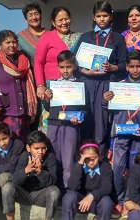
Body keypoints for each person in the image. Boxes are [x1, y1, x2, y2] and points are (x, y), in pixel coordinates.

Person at [103, 50, 140, 217]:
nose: (135, 70)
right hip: (121, 135)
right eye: (132, 66)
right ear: (126, 67)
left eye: (138, 66)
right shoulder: (118, 85)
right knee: (118, 167)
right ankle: (117, 200)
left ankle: (130, 201)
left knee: (136, 169)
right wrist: (105, 101)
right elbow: (109, 111)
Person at [74, 1, 127, 160]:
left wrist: (112, 68)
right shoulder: (85, 37)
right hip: (87, 83)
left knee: (101, 123)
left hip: (106, 84)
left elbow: (124, 65)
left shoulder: (118, 38)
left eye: (105, 15)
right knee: (86, 120)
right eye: (98, 16)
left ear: (110, 16)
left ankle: (101, 160)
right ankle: (84, 158)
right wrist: (86, 71)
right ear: (93, 17)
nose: (102, 19)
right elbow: (74, 64)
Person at [43, 50, 88, 191]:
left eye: (68, 67)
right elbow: (48, 108)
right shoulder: (52, 84)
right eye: (62, 67)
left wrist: (79, 118)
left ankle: (67, 190)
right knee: (52, 156)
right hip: (53, 123)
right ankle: (53, 189)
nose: (65, 70)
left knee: (68, 159)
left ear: (74, 66)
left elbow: (85, 108)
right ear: (58, 67)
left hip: (71, 125)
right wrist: (46, 99)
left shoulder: (81, 84)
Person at [0, 30, 37, 142]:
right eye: (7, 42)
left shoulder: (23, 60)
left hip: (22, 113)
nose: (12, 45)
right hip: (3, 113)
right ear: (0, 44)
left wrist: (31, 110)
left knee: (21, 146)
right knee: (3, 145)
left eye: (14, 42)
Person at [2, 131, 60, 220]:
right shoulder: (25, 156)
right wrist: (26, 171)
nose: (40, 152)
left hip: (41, 195)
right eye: (36, 148)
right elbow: (15, 181)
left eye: (43, 148)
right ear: (28, 148)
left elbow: (53, 181)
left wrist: (40, 172)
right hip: (24, 194)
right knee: (7, 187)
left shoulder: (50, 157)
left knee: (54, 192)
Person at [34, 6, 81, 100]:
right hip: (51, 87)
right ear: (53, 22)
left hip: (74, 87)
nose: (64, 23)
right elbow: (38, 62)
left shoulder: (79, 37)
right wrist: (40, 85)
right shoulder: (46, 38)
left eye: (66, 19)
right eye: (60, 20)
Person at [62, 142, 113, 220]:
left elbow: (107, 187)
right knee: (69, 196)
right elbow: (72, 187)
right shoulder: (78, 166)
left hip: (97, 200)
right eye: (87, 159)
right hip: (80, 201)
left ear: (99, 155)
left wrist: (92, 196)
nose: (91, 162)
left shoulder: (105, 167)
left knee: (107, 202)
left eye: (93, 159)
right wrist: (80, 164)